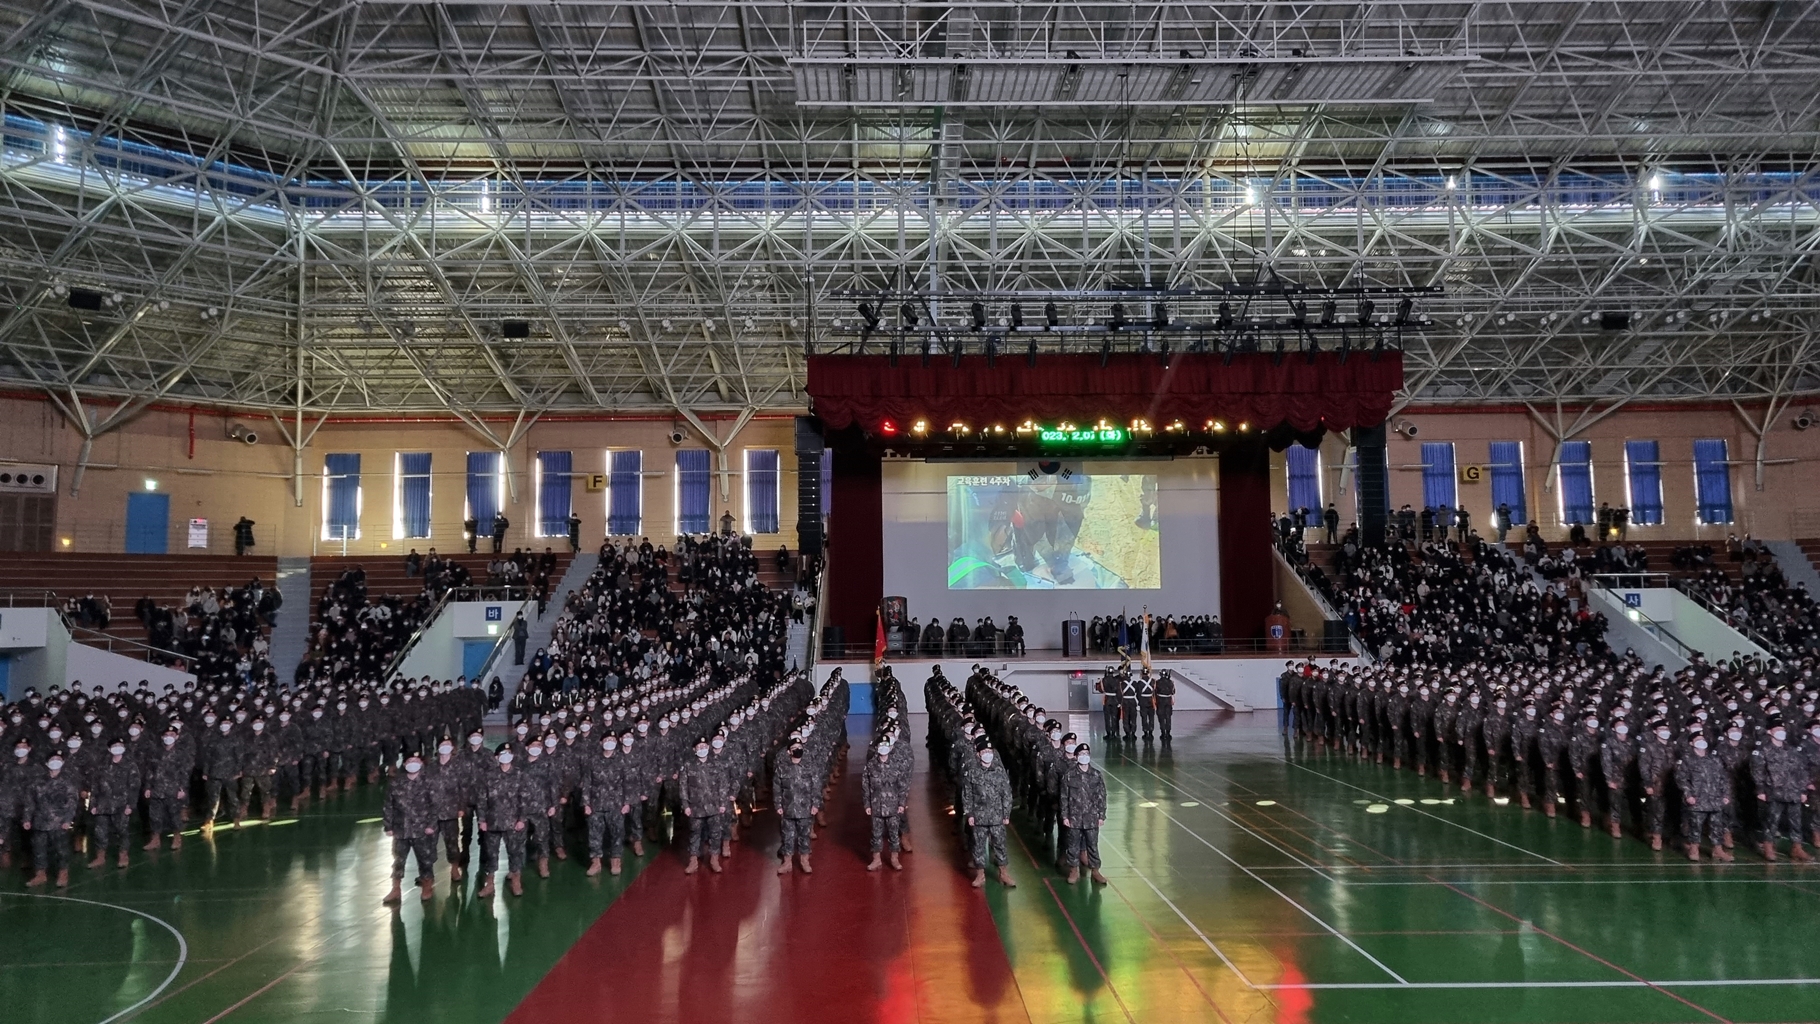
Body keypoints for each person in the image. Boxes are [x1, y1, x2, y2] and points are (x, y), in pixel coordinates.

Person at [382, 752, 439, 904]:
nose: (413, 763)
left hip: (422, 830)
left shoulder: (428, 782)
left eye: (416, 761)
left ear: (421, 764)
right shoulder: (396, 783)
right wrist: (388, 826)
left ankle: (427, 886)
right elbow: (388, 805)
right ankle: (395, 889)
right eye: (409, 761)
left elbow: (435, 806)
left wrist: (431, 825)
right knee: (398, 860)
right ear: (405, 764)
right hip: (401, 830)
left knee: (425, 860)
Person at [477, 744, 530, 898]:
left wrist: (522, 819)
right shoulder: (488, 775)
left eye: (508, 753)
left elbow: (524, 799)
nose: (506, 756)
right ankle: (489, 884)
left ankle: (516, 880)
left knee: (514, 852)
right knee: (491, 853)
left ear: (512, 756)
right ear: (497, 757)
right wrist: (482, 820)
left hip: (513, 822)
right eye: (502, 753)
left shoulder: (519, 774)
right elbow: (482, 800)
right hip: (492, 822)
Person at [962, 737, 1015, 889]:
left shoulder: (1000, 772)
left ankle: (1003, 873)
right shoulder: (972, 773)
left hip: (997, 817)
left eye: (989, 751)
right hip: (979, 817)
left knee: (1000, 845)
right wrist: (969, 814)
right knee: (978, 846)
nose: (987, 754)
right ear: (978, 754)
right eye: (984, 751)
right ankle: (980, 875)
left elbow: (1007, 794)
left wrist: (1006, 814)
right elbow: (967, 795)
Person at [24, 751, 80, 888]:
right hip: (40, 821)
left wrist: (68, 820)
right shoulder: (37, 781)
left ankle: (63, 873)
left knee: (61, 849)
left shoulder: (68, 781)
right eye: (52, 759)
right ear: (46, 763)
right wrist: (27, 818)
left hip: (59, 823)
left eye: (58, 759)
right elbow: (30, 802)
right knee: (39, 849)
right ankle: (40, 874)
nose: (55, 761)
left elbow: (72, 803)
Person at [86, 739, 140, 870]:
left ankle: (123, 855)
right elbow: (95, 786)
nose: (117, 748)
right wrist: (93, 804)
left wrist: (130, 805)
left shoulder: (130, 765)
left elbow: (134, 787)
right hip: (103, 805)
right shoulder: (102, 765)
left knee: (122, 831)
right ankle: (100, 857)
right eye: (114, 746)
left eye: (120, 745)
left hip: (121, 805)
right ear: (109, 749)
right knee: (100, 832)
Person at [1058, 742, 1107, 884]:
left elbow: (1102, 796)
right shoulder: (1069, 775)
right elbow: (1064, 797)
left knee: (1093, 845)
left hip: (1091, 818)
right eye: (1081, 754)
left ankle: (1095, 871)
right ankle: (1073, 871)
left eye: (1086, 754)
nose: (1084, 756)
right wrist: (1065, 816)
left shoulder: (1096, 775)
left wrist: (1101, 815)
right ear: (1076, 756)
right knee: (1073, 845)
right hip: (1074, 817)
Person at [680, 736, 726, 875]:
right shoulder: (688, 765)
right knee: (695, 834)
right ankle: (693, 861)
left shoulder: (716, 764)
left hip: (714, 806)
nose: (702, 749)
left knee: (715, 833)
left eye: (704, 746)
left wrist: (722, 803)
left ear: (708, 747)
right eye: (699, 747)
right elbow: (683, 787)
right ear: (694, 750)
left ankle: (714, 859)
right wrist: (685, 805)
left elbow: (722, 785)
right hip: (695, 807)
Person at [862, 734, 907, 871]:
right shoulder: (871, 765)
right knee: (876, 834)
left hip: (893, 806)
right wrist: (867, 804)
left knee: (894, 834)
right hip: (876, 805)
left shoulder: (897, 765)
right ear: (876, 748)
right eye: (880, 745)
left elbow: (902, 786)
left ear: (891, 747)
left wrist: (902, 803)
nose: (883, 748)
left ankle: (894, 858)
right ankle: (876, 860)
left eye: (886, 745)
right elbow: (865, 786)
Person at [772, 744, 817, 874]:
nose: (798, 750)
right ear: (788, 752)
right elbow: (776, 788)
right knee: (787, 837)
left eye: (799, 747)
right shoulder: (782, 768)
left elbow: (816, 786)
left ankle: (805, 861)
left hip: (805, 808)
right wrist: (778, 805)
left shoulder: (810, 767)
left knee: (804, 836)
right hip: (788, 809)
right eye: (794, 748)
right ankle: (787, 863)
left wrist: (815, 804)